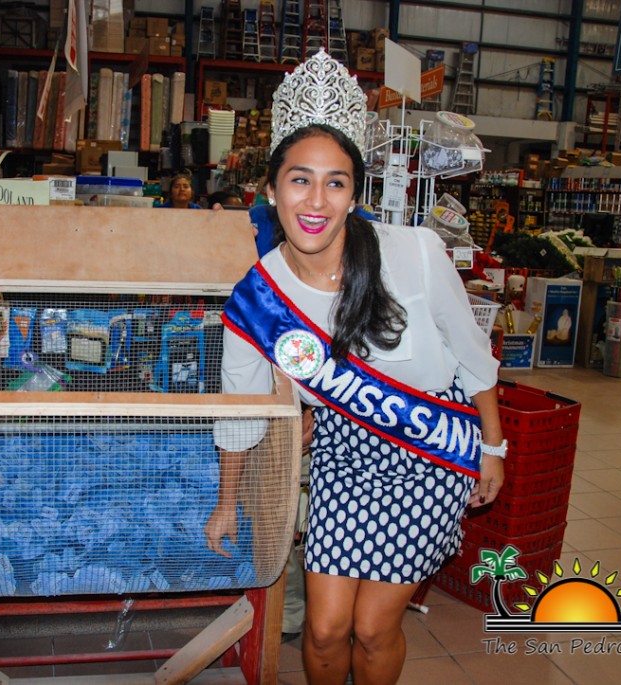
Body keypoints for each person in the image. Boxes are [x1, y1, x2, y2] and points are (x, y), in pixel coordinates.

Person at [204, 51, 505, 685]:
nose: (316, 201)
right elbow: (241, 410)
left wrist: (494, 448)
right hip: (344, 454)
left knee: (372, 627)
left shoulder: (414, 254)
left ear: (354, 194)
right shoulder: (256, 300)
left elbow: (472, 353)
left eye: (335, 183)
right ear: (270, 189)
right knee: (323, 628)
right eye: (300, 180)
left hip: (429, 454)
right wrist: (227, 502)